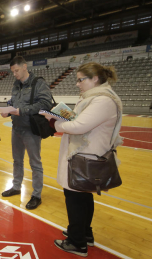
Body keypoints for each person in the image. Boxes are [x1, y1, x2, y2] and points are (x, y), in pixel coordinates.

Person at [45, 62, 122, 257]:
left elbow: (79, 126)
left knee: (75, 198)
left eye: (81, 80)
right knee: (83, 196)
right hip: (85, 154)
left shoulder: (102, 100)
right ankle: (83, 233)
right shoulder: (94, 97)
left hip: (86, 156)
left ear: (95, 79)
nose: (78, 84)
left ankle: (77, 242)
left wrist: (55, 122)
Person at [0, 56, 52, 210]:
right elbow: (14, 102)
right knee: (17, 160)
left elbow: (45, 103)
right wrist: (8, 110)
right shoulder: (16, 85)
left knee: (35, 163)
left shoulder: (38, 83)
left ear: (24, 66)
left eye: (16, 70)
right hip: (16, 128)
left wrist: (21, 110)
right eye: (12, 71)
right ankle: (16, 187)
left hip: (31, 129)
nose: (14, 74)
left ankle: (37, 195)